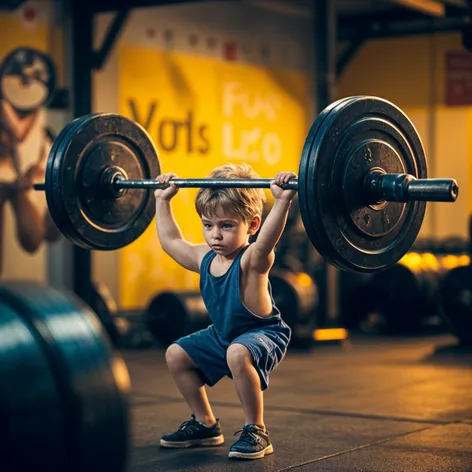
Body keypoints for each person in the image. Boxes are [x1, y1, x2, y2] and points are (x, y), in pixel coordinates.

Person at [154, 163, 297, 459]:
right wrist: (162, 200)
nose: (215, 235)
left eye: (227, 225)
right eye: (208, 225)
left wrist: (282, 201)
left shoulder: (251, 260)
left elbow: (267, 242)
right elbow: (170, 242)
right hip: (223, 335)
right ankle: (205, 423)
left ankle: (256, 430)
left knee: (237, 353)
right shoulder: (204, 257)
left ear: (252, 225)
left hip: (262, 333)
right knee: (175, 354)